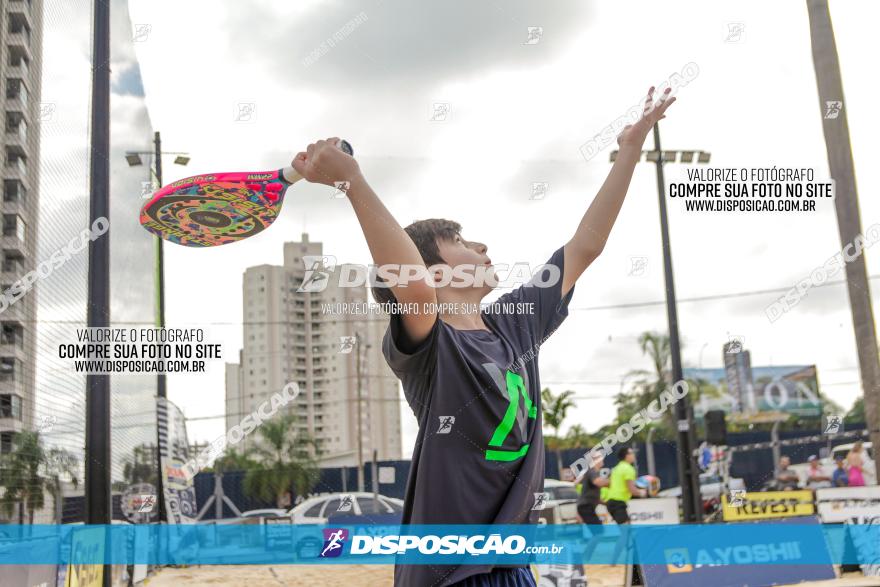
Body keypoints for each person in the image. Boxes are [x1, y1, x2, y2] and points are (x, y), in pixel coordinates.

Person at [290, 86, 677, 587]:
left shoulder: (515, 324)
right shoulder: (430, 345)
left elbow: (585, 245)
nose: (482, 245)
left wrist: (629, 149)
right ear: (434, 271)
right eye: (460, 241)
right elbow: (410, 283)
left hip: (510, 565)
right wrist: (352, 183)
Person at [605, 447, 647, 525]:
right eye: (631, 453)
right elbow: (632, 490)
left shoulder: (616, 468)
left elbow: (610, 484)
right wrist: (642, 493)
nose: (634, 455)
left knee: (627, 529)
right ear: (626, 456)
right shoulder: (628, 469)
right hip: (618, 503)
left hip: (611, 502)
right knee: (625, 531)